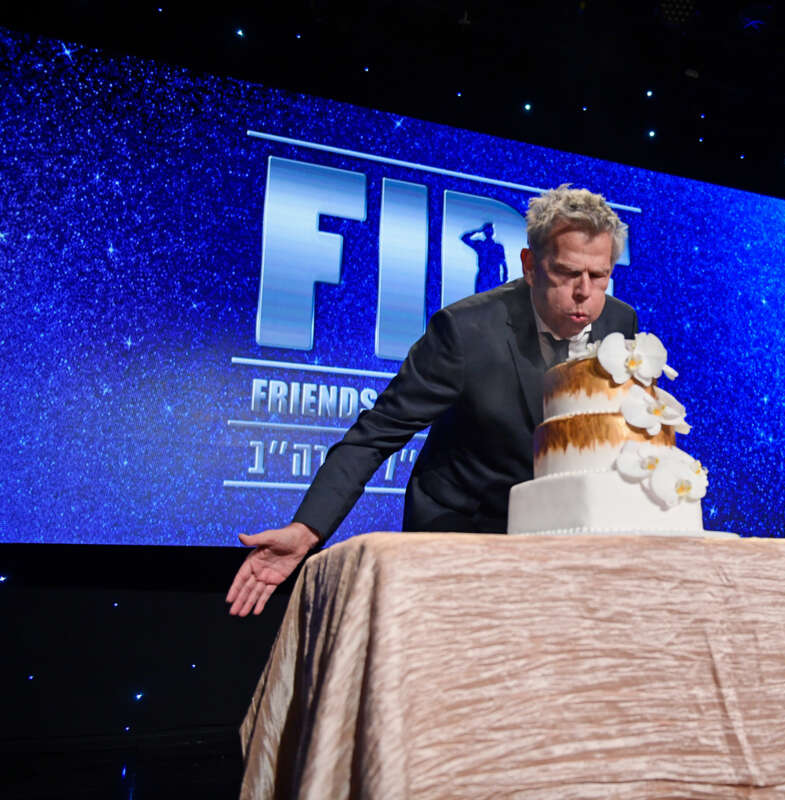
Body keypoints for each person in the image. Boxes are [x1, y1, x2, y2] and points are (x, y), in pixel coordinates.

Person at [226, 185, 637, 616]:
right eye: (568, 273)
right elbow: (375, 434)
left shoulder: (619, 320)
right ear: (530, 265)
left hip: (556, 535)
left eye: (599, 276)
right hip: (460, 530)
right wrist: (307, 529)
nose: (584, 293)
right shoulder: (464, 331)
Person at [461, 222, 508, 293]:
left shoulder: (498, 247)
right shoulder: (480, 245)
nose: (489, 232)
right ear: (484, 232)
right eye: (487, 230)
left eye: (491, 230)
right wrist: (478, 231)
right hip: (484, 278)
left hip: (494, 278)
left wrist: (505, 278)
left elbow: (503, 263)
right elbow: (464, 238)